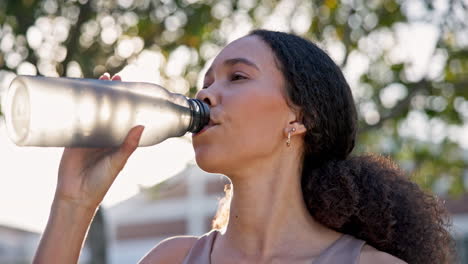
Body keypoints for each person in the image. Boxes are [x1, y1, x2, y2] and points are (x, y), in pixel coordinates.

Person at [33, 30, 454, 264]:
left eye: (237, 77)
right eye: (208, 81)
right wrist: (75, 201)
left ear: (299, 118)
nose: (208, 94)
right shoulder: (172, 260)